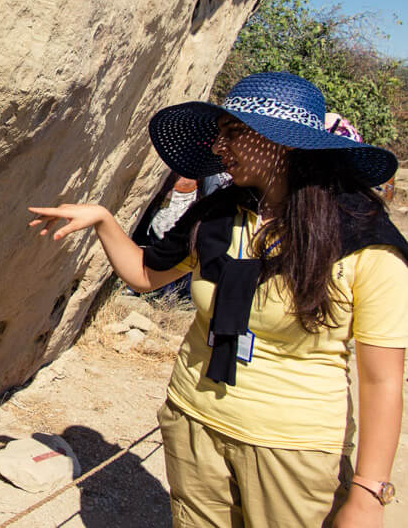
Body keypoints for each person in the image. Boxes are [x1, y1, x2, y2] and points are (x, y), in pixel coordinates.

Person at [28, 72, 408, 528]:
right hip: (194, 426)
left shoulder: (364, 241)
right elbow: (146, 273)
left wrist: (368, 493)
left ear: (279, 142)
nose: (217, 148)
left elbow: (382, 379)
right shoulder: (220, 215)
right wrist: (103, 221)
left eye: (231, 134)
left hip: (293, 451)